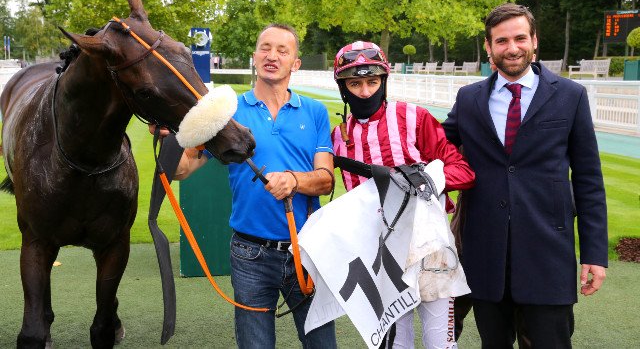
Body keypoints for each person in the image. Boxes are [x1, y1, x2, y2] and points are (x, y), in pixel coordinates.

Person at [155, 24, 337, 348]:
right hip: (250, 254)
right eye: (265, 48)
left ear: (295, 63)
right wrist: (170, 138)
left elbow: (326, 180)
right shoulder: (227, 114)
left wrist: (294, 180)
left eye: (282, 50)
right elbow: (183, 169)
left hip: (307, 250)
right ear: (255, 56)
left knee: (322, 345)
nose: (272, 56)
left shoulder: (315, 112)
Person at [442, 3, 608, 348]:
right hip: (485, 256)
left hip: (547, 256)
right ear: (489, 47)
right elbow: (435, 145)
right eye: (501, 41)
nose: (512, 48)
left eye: (520, 38)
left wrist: (594, 253)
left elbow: (589, 180)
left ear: (534, 41)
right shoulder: (469, 99)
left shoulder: (570, 96)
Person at [330, 41, 475, 348]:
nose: (365, 92)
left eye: (372, 82)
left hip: (430, 247)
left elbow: (464, 172)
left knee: (440, 343)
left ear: (384, 81)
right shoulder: (338, 138)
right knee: (397, 343)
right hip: (379, 254)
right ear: (343, 88)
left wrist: (425, 180)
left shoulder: (415, 118)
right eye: (355, 84)